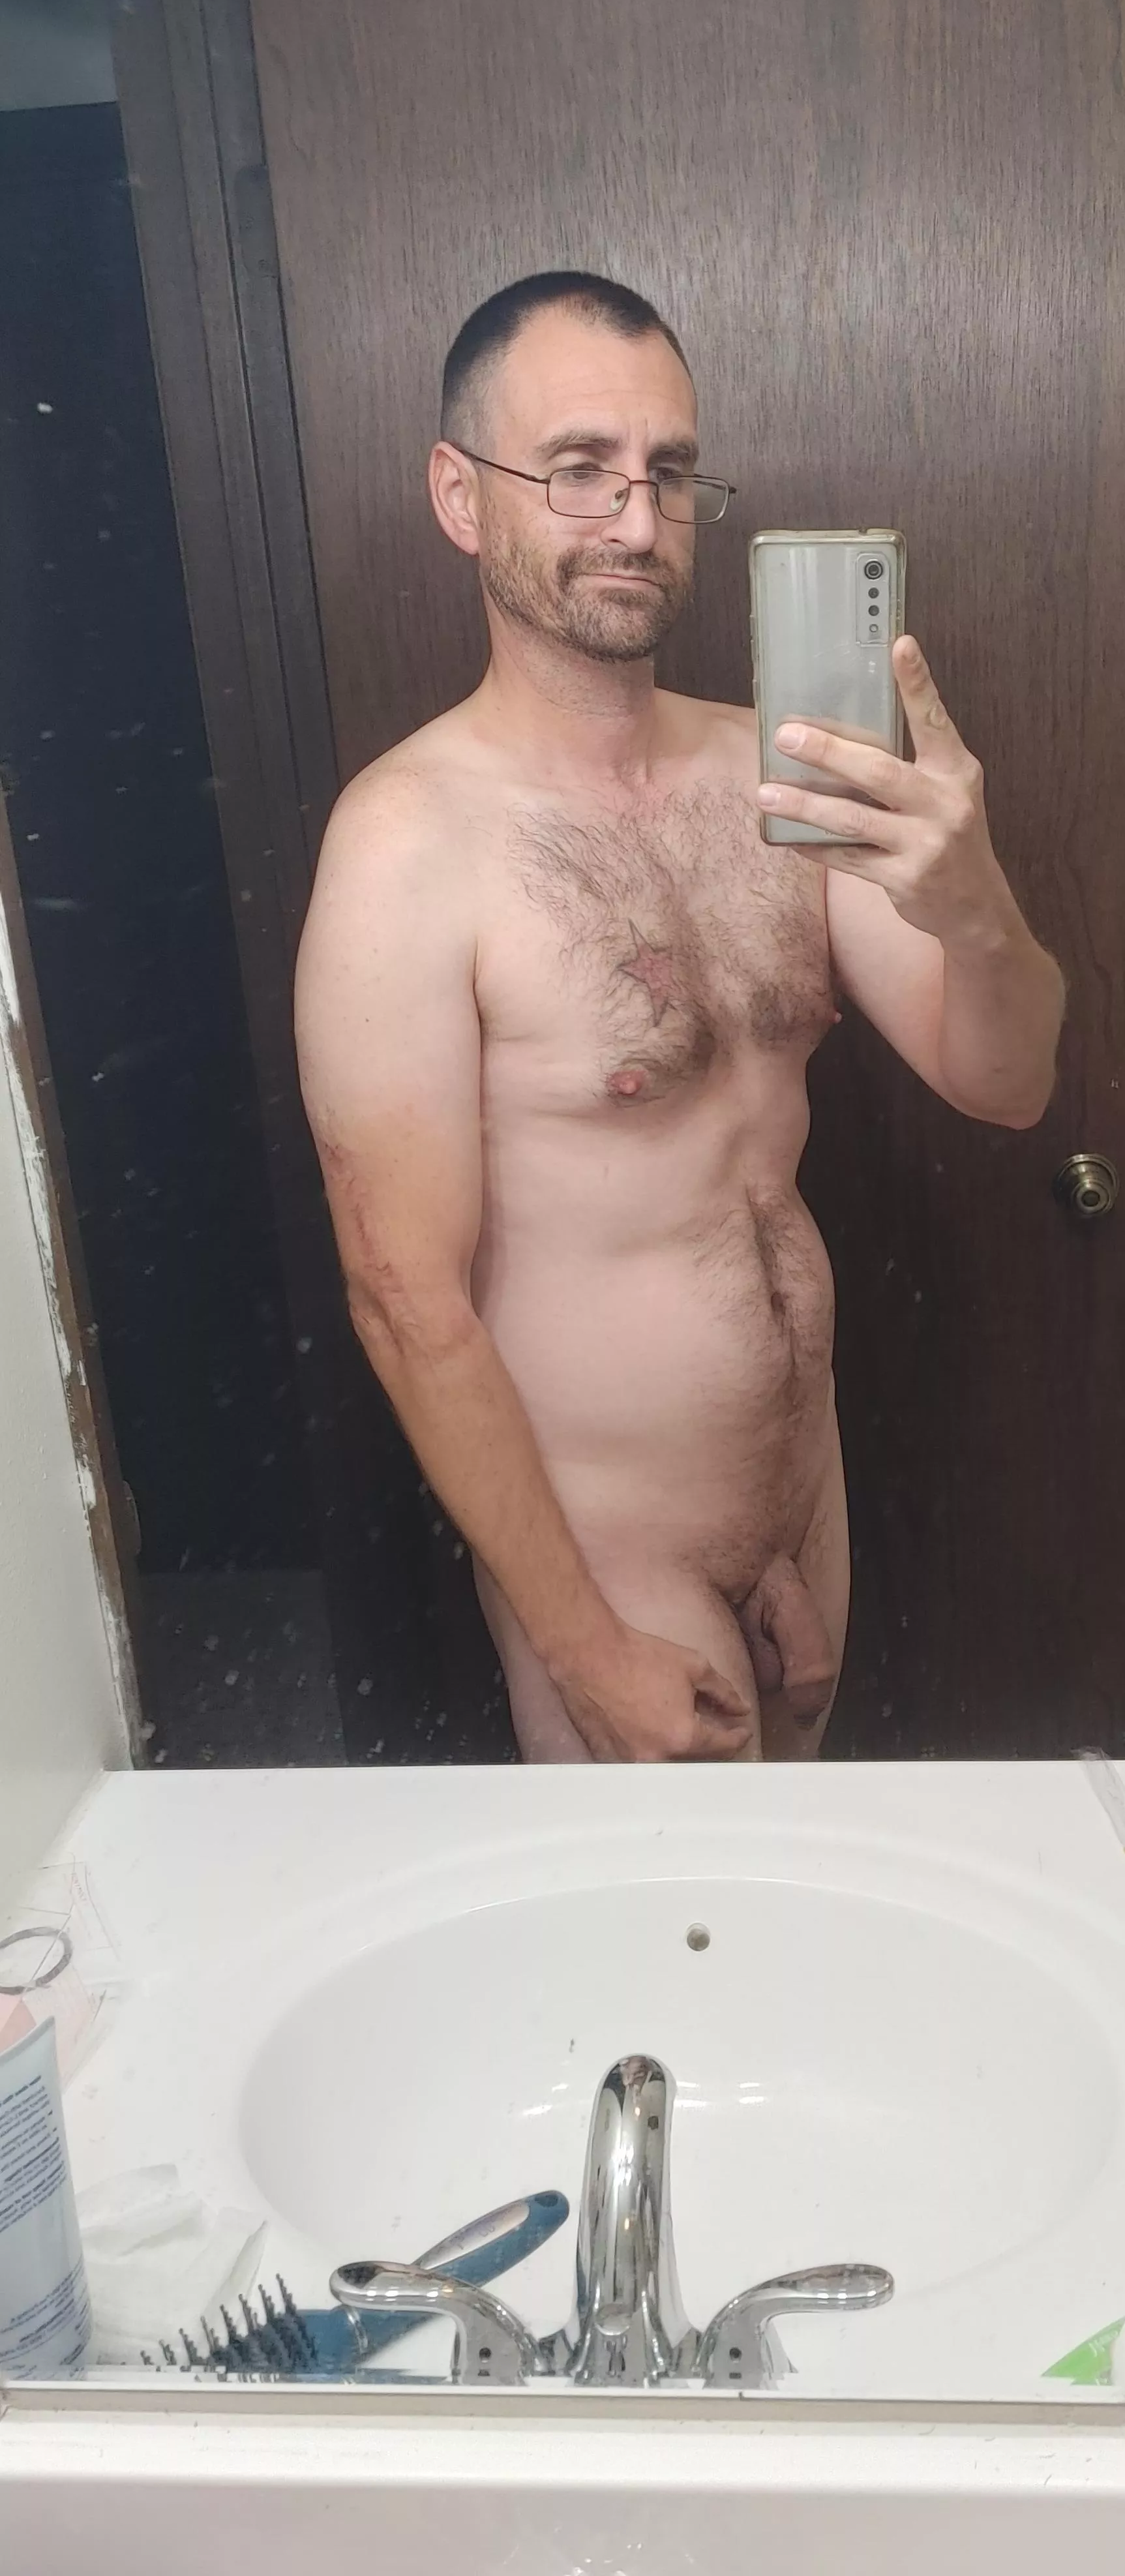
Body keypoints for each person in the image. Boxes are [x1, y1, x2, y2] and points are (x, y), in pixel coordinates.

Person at [295, 271, 1064, 1765]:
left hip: (806, 1510)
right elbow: (403, 1295)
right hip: (613, 1566)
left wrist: (976, 902)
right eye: (579, 469)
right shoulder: (407, 844)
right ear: (461, 494)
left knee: (786, 1898)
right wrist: (583, 1645)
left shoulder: (780, 777)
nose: (639, 522)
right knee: (667, 1920)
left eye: (669, 471)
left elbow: (1010, 1080)